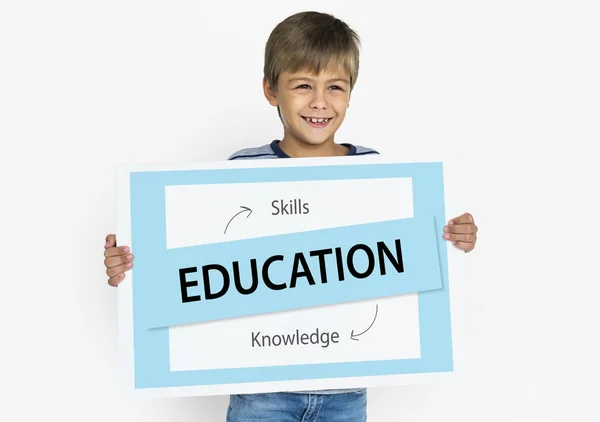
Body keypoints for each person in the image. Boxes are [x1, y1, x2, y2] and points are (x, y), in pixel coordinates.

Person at [103, 10, 478, 421]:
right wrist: (134, 265)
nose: (320, 101)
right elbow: (196, 266)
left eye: (335, 87)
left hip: (347, 395)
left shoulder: (376, 173)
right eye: (303, 86)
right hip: (261, 396)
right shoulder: (239, 172)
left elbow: (411, 261)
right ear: (271, 90)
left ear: (351, 93)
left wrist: (453, 239)